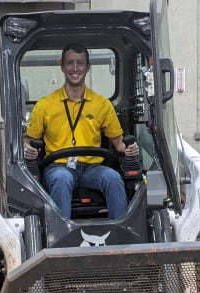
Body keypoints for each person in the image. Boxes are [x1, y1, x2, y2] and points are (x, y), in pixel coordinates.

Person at [23, 43, 139, 219]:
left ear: (88, 67)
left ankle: (121, 233)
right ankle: (60, 237)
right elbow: (28, 140)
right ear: (62, 66)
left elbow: (119, 143)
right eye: (70, 63)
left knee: (113, 178)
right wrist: (27, 148)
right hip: (58, 167)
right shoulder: (44, 106)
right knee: (62, 179)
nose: (75, 68)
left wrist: (130, 148)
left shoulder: (102, 104)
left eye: (80, 63)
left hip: (92, 168)